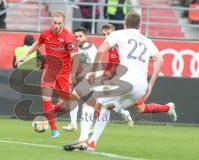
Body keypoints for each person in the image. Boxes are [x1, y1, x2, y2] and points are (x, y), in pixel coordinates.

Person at [64, 12, 177, 151]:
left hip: (124, 81)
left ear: (124, 23)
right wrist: (151, 85)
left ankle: (82, 140)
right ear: (140, 25)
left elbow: (100, 51)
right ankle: (92, 143)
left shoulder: (119, 35)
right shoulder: (147, 41)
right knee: (107, 107)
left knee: (90, 102)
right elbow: (160, 60)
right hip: (140, 86)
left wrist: (93, 71)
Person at [16, 11, 79, 138]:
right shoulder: (46, 33)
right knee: (46, 98)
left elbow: (75, 57)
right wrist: (25, 55)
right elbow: (37, 43)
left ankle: (47, 115)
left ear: (63, 23)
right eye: (54, 23)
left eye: (59, 23)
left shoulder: (69, 37)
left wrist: (73, 75)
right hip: (49, 70)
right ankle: (54, 130)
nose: (56, 25)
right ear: (51, 22)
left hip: (64, 73)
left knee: (65, 106)